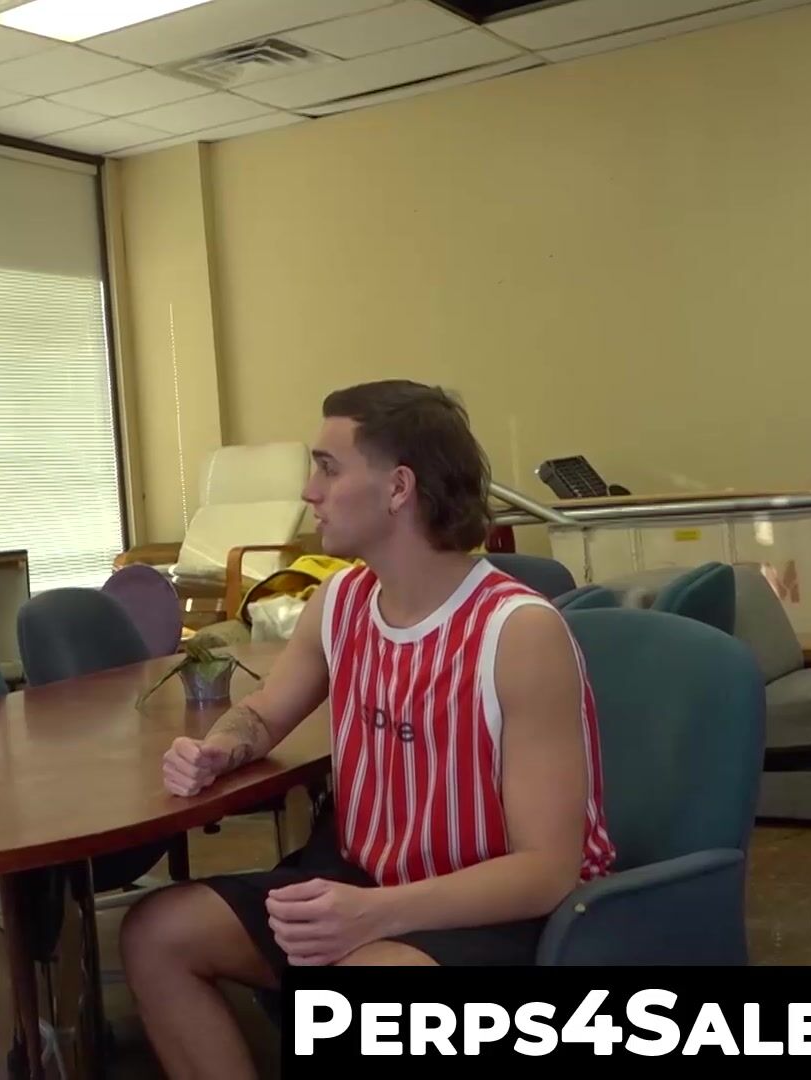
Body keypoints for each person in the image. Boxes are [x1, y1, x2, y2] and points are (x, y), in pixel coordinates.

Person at [119, 379, 615, 1080]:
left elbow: (545, 871)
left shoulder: (519, 632)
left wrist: (376, 914)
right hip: (363, 878)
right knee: (158, 933)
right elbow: (262, 713)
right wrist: (220, 747)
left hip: (493, 905)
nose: (309, 492)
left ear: (398, 487)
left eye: (327, 468)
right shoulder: (340, 599)